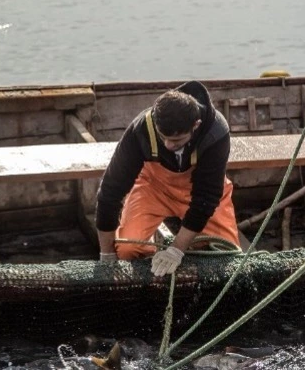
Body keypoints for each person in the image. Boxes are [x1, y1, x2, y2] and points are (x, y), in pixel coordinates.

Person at [94, 80, 241, 276]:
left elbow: (205, 200)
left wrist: (176, 250)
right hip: (153, 187)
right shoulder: (141, 129)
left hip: (199, 192)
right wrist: (107, 254)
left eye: (176, 140)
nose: (168, 145)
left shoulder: (216, 132)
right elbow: (109, 193)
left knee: (226, 256)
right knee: (128, 250)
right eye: (162, 137)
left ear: (195, 126)